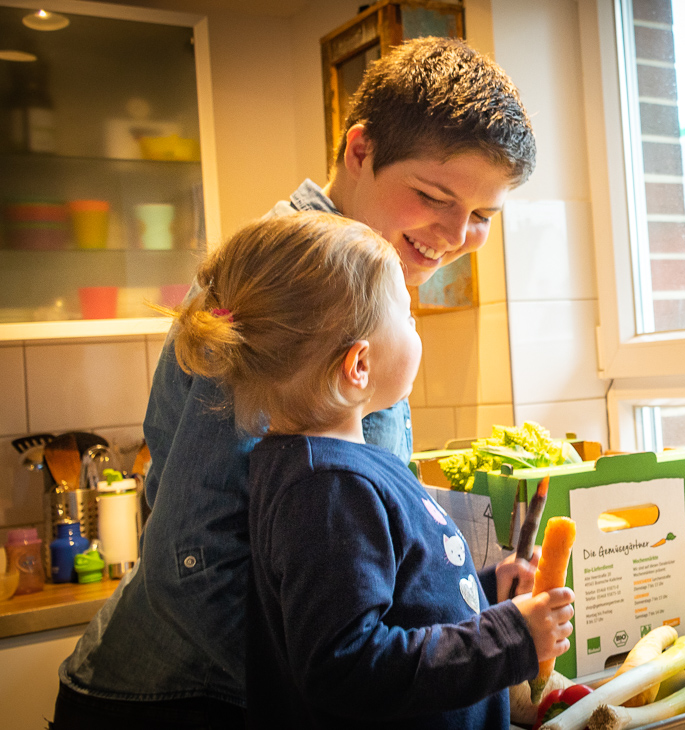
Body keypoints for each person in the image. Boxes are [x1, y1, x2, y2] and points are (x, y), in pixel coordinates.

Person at [54, 37, 538, 728]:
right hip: (178, 694)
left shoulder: (362, 279)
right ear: (360, 150)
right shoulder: (292, 279)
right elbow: (199, 553)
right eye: (435, 196)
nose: (458, 233)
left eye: (484, 215)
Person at [181, 212, 571, 728]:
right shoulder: (329, 488)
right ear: (358, 365)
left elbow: (398, 599)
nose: (415, 328)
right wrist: (508, 636)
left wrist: (487, 591)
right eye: (407, 317)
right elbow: (349, 666)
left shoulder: (323, 471)